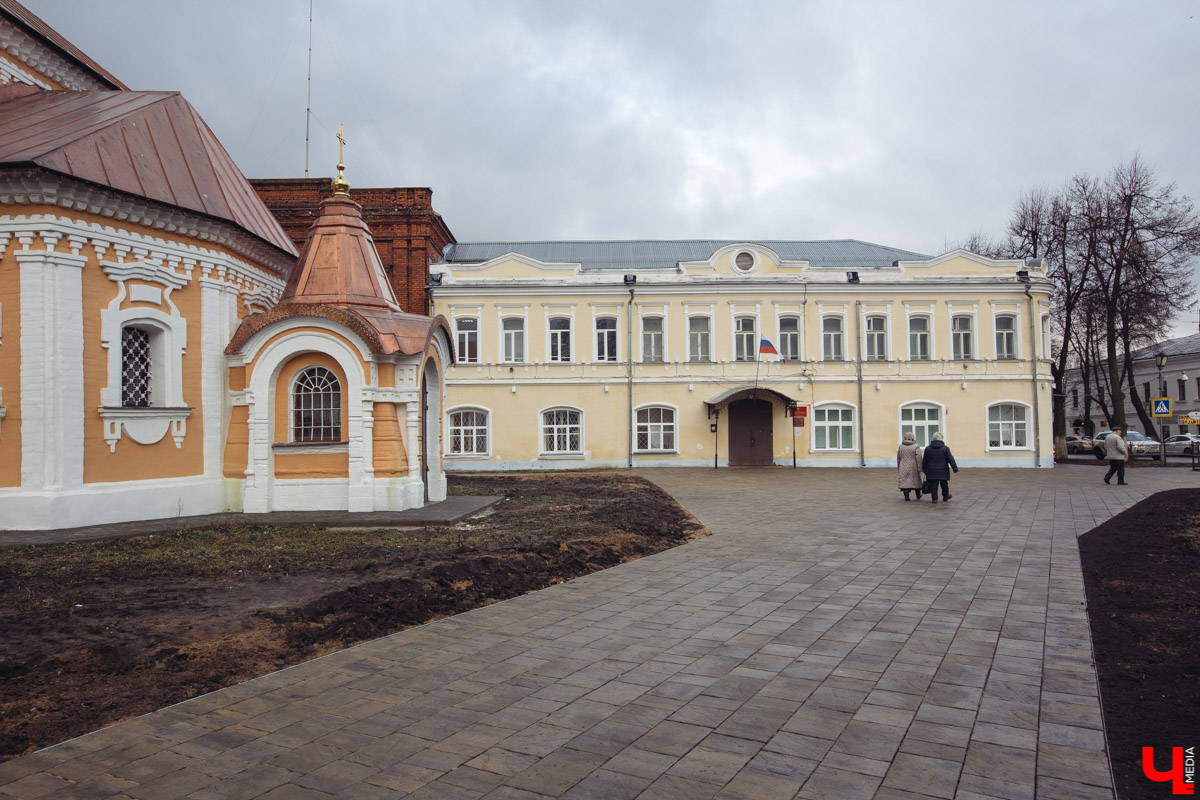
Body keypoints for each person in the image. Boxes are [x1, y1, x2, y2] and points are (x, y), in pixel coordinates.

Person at [920, 432, 959, 504]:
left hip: (931, 470)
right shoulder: (945, 448)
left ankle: (934, 499)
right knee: (944, 484)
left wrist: (924, 469)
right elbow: (950, 459)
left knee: (933, 485)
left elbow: (925, 460)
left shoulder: (928, 449)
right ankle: (946, 496)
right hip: (943, 470)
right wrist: (955, 469)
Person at [897, 432, 924, 501]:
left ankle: (906, 496)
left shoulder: (901, 446)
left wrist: (899, 466)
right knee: (915, 480)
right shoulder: (916, 446)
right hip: (913, 466)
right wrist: (920, 467)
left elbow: (898, 457)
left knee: (905, 481)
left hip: (903, 465)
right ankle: (918, 495)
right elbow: (919, 458)